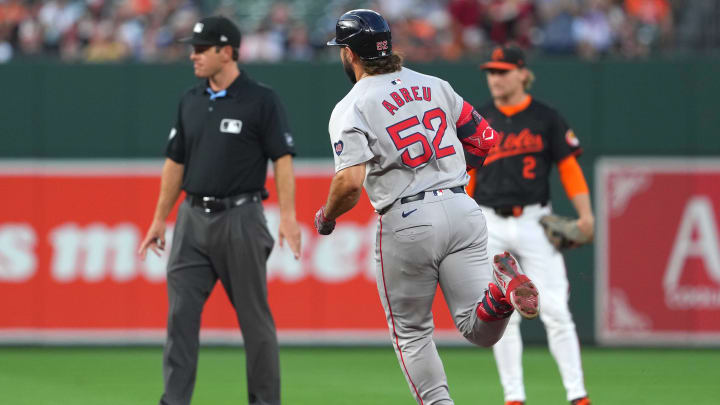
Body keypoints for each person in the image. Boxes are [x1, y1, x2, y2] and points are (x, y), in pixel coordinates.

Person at [313, 9, 540, 405]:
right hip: (461, 207)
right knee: (477, 329)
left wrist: (328, 216)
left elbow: (349, 183)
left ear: (350, 54)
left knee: (412, 332)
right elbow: (485, 138)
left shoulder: (352, 105)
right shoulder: (434, 84)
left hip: (407, 218)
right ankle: (503, 292)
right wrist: (447, 174)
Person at [137, 15, 301, 405]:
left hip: (240, 218)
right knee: (179, 319)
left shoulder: (261, 99)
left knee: (254, 323)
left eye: (200, 49)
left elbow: (282, 160)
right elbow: (175, 162)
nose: (193, 56)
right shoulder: (191, 99)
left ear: (226, 51)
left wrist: (289, 217)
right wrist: (160, 218)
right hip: (191, 219)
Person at [468, 45, 594, 405]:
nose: (495, 78)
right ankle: (514, 398)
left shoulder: (545, 117)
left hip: (536, 221)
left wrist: (586, 215)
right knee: (503, 315)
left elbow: (569, 168)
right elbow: (470, 174)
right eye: (491, 72)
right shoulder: (480, 119)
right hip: (489, 222)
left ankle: (577, 395)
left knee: (556, 310)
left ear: (523, 74)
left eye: (503, 71)